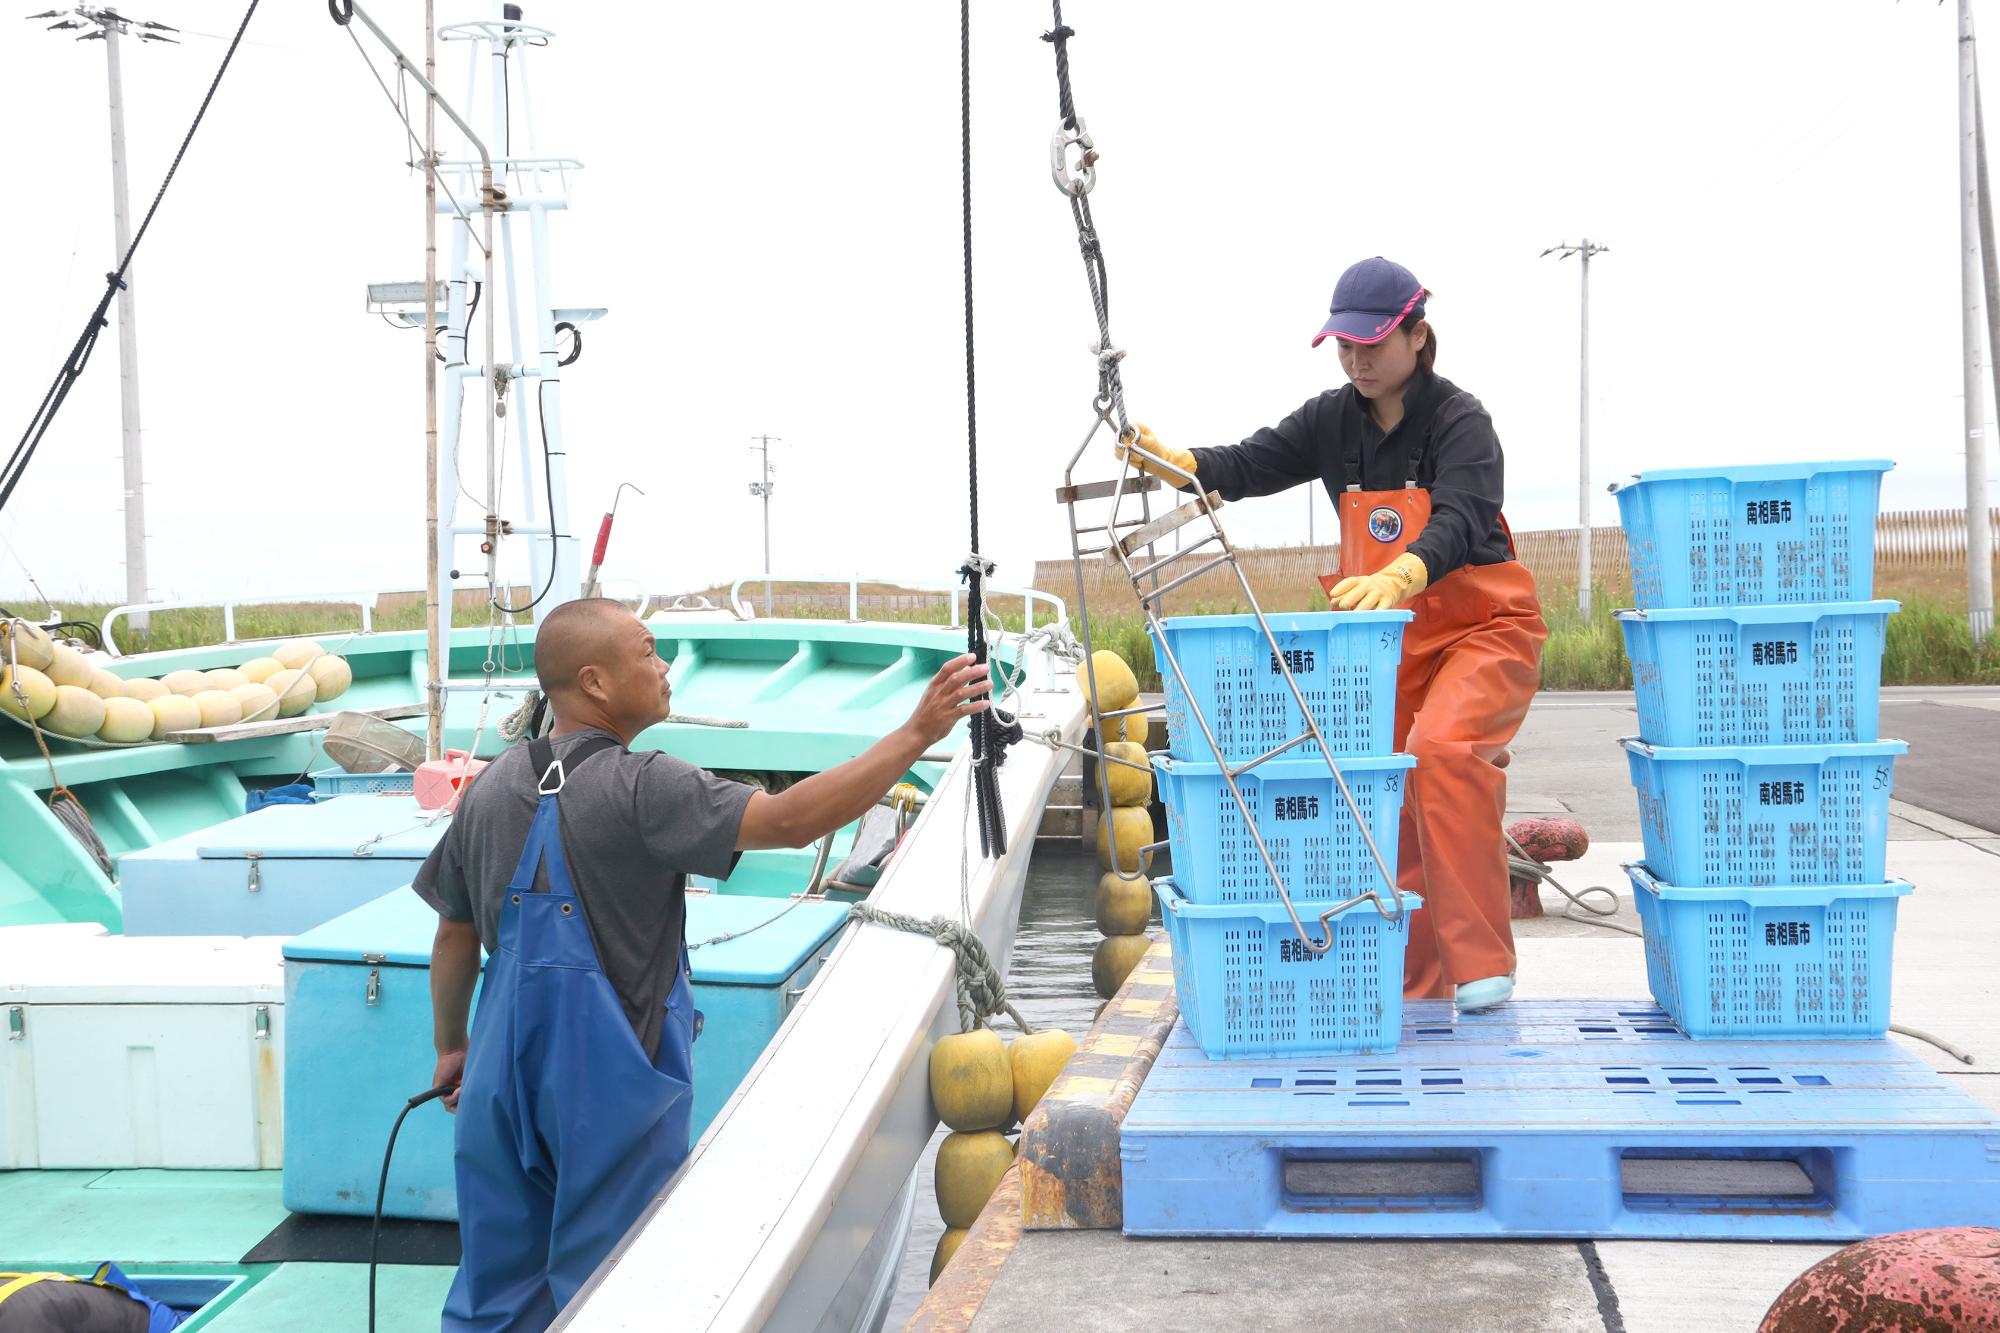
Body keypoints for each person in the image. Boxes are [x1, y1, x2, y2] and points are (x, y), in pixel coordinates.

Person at [413, 597, 992, 1332]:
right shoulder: (645, 784)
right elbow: (789, 820)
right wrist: (918, 731)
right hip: (605, 1084)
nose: (664, 666)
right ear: (594, 682)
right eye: (648, 651)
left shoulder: (489, 787)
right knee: (611, 1287)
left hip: (497, 1079)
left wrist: (451, 1046)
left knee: (495, 1290)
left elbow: (454, 935)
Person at [1118, 255, 1546, 1013]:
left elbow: (1463, 516)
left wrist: (1404, 573)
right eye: (1346, 346)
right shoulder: (1332, 419)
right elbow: (1250, 463)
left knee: (1443, 753)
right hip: (1393, 644)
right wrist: (1181, 465)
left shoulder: (1460, 420)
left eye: (1373, 344)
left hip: (1485, 629)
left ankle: (1483, 963)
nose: (1358, 360)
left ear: (1418, 336)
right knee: (1384, 790)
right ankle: (1418, 982)